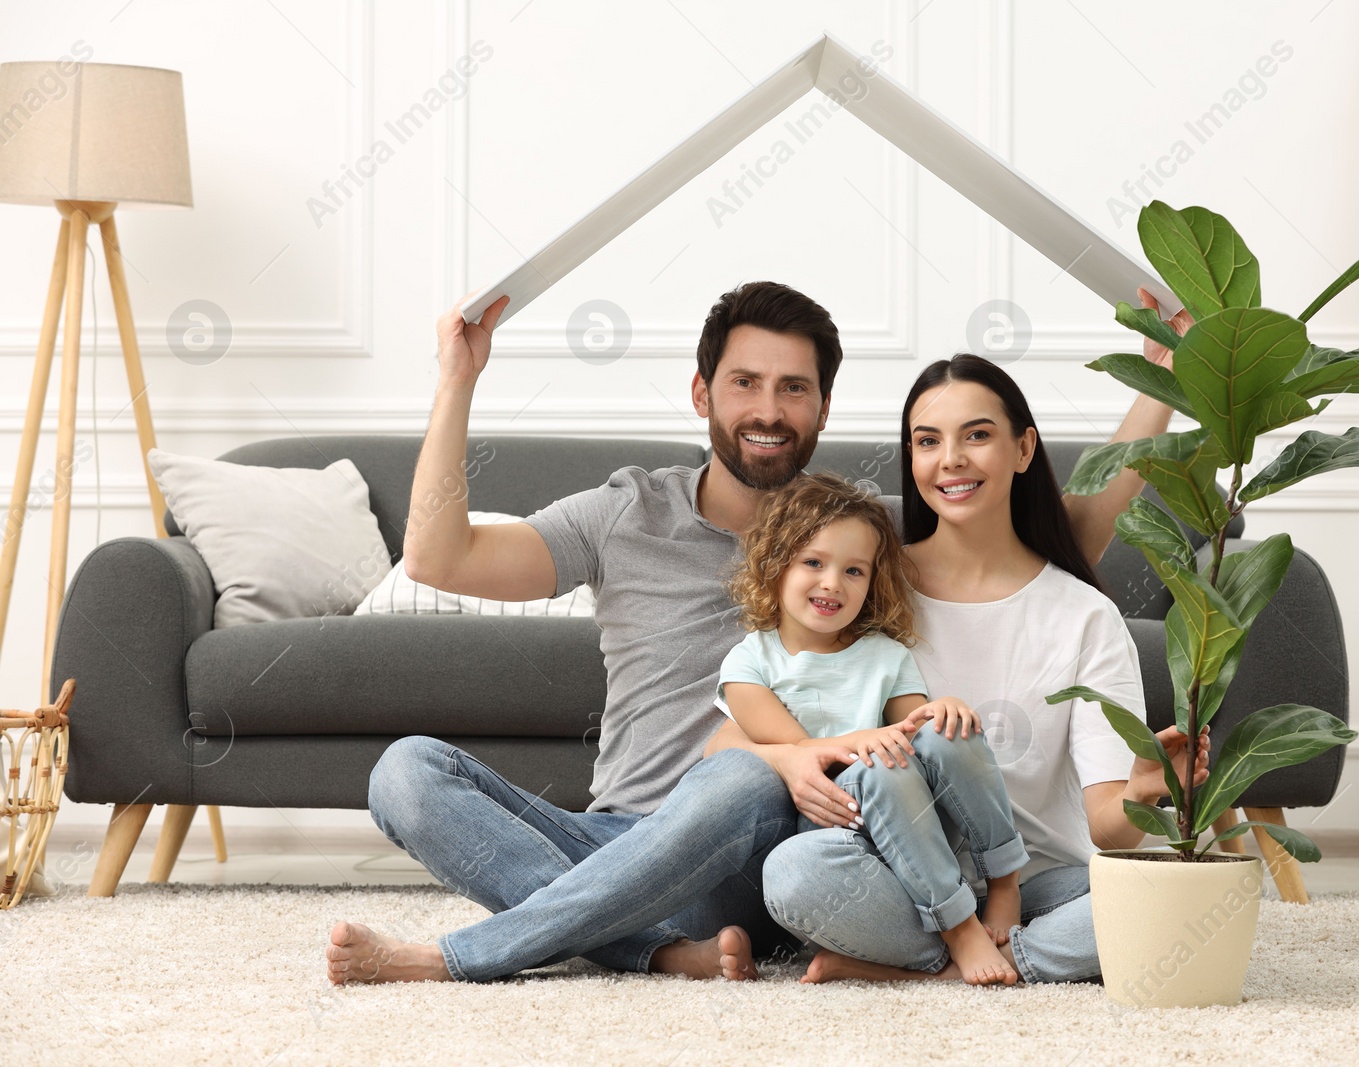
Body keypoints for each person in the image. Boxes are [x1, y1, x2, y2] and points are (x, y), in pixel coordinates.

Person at [325, 280, 1187, 986]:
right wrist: (458, 378)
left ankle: (460, 957)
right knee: (406, 772)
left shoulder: (856, 532)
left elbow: (1052, 535)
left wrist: (1163, 380)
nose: (768, 409)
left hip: (759, 844)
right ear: (703, 393)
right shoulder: (623, 510)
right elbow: (438, 557)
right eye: (745, 383)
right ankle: (656, 951)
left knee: (738, 776)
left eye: (794, 388)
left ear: (822, 407)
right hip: (619, 832)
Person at [755, 354, 1209, 986]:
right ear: (911, 461)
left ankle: (919, 968)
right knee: (794, 873)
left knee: (1174, 906)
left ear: (1023, 449)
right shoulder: (863, 589)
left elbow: (1110, 827)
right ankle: (969, 945)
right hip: (901, 875)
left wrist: (1141, 790)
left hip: (1043, 883)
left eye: (977, 435)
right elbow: (750, 702)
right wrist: (797, 756)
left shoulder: (1084, 615)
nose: (951, 460)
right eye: (928, 441)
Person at [716, 472, 1027, 985]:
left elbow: (915, 729)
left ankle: (1005, 880)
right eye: (813, 562)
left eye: (854, 570)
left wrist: (942, 709)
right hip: (830, 830)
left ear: (872, 582)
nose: (832, 583)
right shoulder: (750, 662)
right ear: (775, 567)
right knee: (876, 768)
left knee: (947, 731)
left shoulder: (886, 655)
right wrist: (857, 742)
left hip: (907, 818)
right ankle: (956, 928)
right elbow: (794, 747)